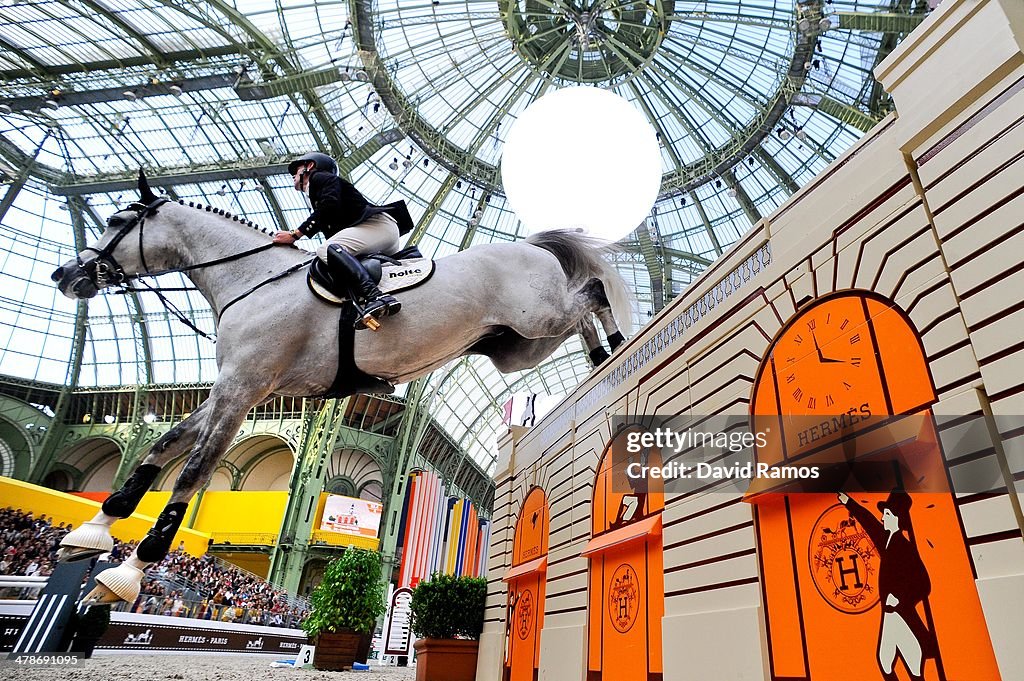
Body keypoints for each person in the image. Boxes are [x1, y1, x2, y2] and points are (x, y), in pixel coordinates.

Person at [273, 152, 413, 329]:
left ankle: (375, 296)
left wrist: (295, 235)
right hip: (382, 234)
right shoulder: (318, 192)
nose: (293, 174)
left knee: (326, 249)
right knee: (334, 257)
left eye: (297, 169)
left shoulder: (318, 178)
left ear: (309, 167)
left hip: (377, 228)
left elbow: (329, 206)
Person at [838, 490, 935, 681]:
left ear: (897, 519)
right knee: (885, 660)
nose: (882, 517)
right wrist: (849, 502)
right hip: (890, 614)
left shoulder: (905, 547)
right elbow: (870, 523)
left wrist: (899, 597)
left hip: (900, 614)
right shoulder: (887, 541)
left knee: (912, 662)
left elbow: (923, 583)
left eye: (887, 514)